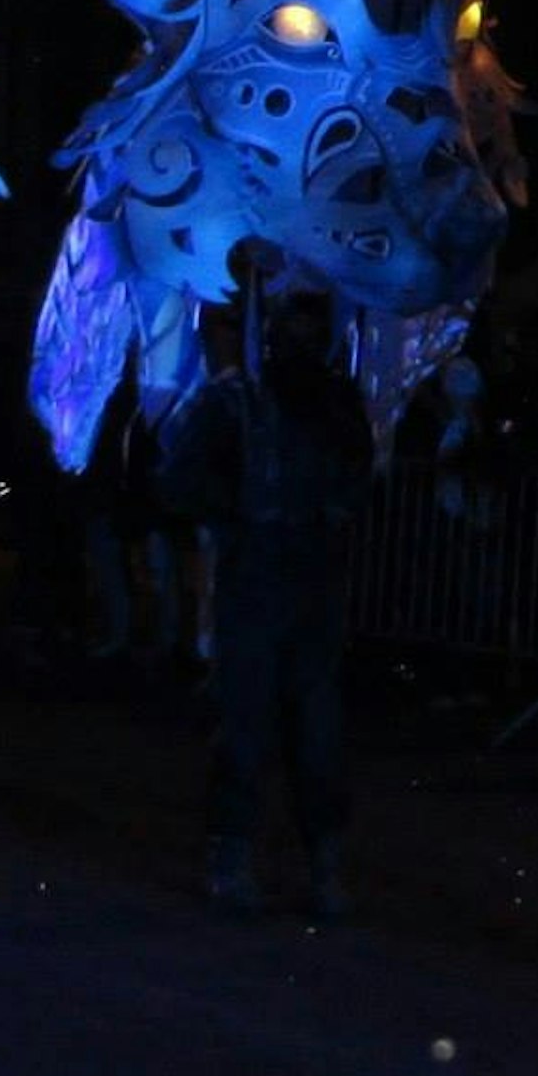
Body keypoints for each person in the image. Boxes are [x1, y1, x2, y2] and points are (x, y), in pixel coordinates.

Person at [157, 275, 376, 916]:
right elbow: (177, 480)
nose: (303, 334)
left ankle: (323, 865)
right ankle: (232, 856)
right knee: (247, 723)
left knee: (316, 730)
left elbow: (359, 475)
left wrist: (331, 513)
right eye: (291, 322)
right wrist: (233, 518)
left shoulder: (335, 401)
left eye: (312, 321)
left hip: (310, 581)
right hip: (255, 576)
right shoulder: (235, 402)